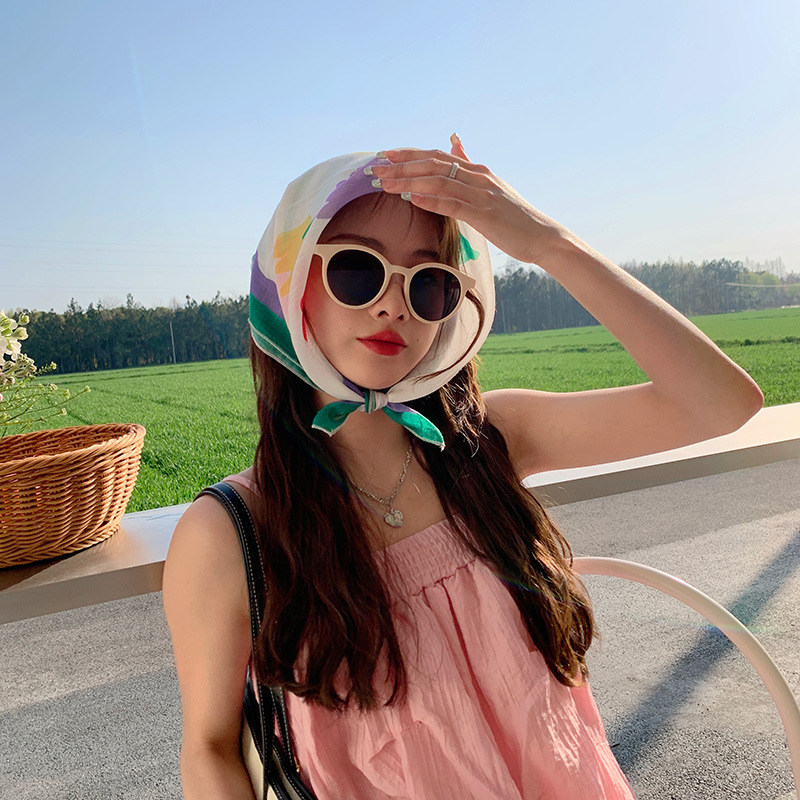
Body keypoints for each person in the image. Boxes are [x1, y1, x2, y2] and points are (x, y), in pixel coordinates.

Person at [162, 136, 763, 800]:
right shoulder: (232, 532)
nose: (394, 305)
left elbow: (719, 404)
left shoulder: (489, 441)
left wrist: (547, 244)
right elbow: (210, 750)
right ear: (289, 282)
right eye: (357, 270)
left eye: (430, 282)